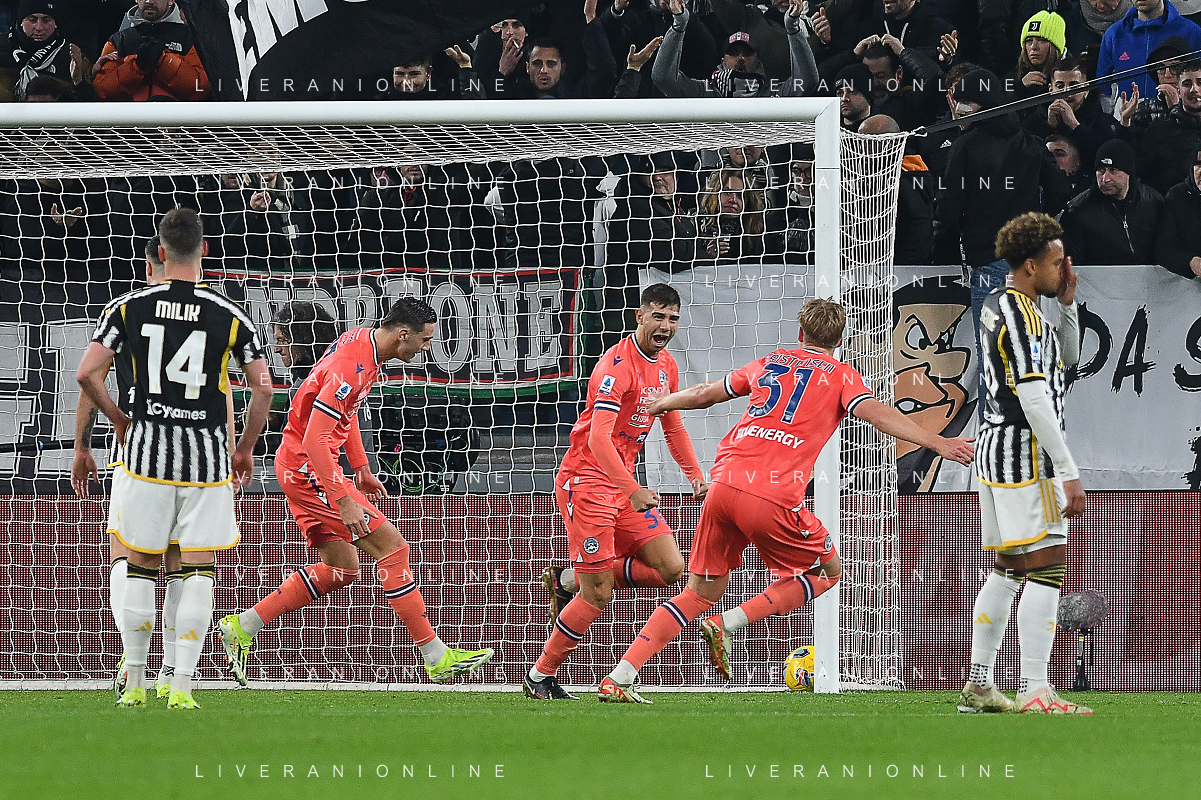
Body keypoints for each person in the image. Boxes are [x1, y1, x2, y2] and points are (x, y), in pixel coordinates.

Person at [595, 298, 975, 701]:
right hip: (771, 493)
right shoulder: (843, 376)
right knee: (829, 571)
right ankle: (728, 623)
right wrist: (937, 441)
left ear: (800, 333)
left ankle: (619, 677)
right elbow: (879, 415)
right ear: (840, 341)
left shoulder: (771, 361)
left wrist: (662, 403)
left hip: (723, 483)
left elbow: (707, 394)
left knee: (699, 591)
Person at [216, 298, 494, 687]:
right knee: (394, 549)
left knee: (342, 568)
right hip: (308, 467)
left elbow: (346, 416)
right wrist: (344, 500)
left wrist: (361, 469)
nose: (426, 348)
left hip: (301, 465)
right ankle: (436, 656)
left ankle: (242, 626)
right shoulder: (351, 365)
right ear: (404, 334)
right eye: (425, 340)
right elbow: (315, 439)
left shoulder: (363, 343)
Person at [76, 208, 274, 709]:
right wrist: (245, 448)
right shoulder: (230, 313)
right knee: (198, 568)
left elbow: (86, 374)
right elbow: (263, 387)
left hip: (145, 458)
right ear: (204, 250)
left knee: (139, 563)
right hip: (206, 462)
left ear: (160, 253)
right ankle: (182, 684)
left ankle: (135, 681)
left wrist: (119, 420)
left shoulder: (127, 307)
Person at [524, 283, 707, 701]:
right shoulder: (616, 366)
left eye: (673, 318)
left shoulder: (667, 366)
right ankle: (540, 676)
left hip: (621, 486)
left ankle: (568, 578)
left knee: (672, 569)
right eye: (658, 316)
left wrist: (695, 476)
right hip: (587, 484)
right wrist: (633, 488)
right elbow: (597, 440)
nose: (665, 326)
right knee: (598, 593)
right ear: (639, 316)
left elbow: (673, 426)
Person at [960, 211, 1090, 715]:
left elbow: (1068, 362)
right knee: (1048, 566)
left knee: (1008, 569)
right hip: (1027, 456)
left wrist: (1068, 306)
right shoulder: (1024, 318)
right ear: (1031, 266)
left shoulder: (1001, 305)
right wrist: (1068, 471)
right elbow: (1035, 398)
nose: (1065, 268)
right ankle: (1036, 688)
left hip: (995, 453)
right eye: (1057, 262)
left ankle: (979, 684)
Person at [932, 68, 1068, 421]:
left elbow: (949, 209)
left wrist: (946, 242)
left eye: (966, 101)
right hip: (1030, 267)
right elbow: (1060, 191)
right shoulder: (1031, 144)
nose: (959, 107)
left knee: (993, 357)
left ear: (983, 103)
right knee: (1026, 352)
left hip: (989, 263)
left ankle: (995, 440)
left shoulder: (966, 146)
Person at [652, 0, 819, 98]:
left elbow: (808, 81)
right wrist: (679, 25)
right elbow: (662, 78)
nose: (741, 58)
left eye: (747, 53)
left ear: (758, 60)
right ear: (723, 60)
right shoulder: (707, 91)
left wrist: (793, 29)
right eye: (733, 53)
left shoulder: (771, 92)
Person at [1058, 139, 1164, 264]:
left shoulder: (1153, 202)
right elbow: (1072, 263)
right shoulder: (1078, 211)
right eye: (1101, 171)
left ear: (1128, 173)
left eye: (1113, 170)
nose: (1105, 179)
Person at [92, 0, 208, 101]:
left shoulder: (190, 38)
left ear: (171, 0)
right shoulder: (119, 40)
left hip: (177, 118)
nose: (149, 1)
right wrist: (137, 66)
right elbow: (102, 90)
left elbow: (201, 88)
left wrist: (164, 61)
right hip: (132, 118)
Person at [1117, 59, 1201, 194]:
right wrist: (1125, 122)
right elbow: (1134, 167)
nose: (1194, 89)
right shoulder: (1159, 130)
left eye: (1200, 83)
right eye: (1187, 84)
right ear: (1178, 91)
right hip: (1170, 204)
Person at [1096, 0, 1201, 104]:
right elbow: (1104, 89)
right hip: (1126, 112)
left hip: (1178, 111)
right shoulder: (1114, 34)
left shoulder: (1192, 32)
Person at [1023, 57, 1115, 172]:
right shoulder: (1037, 119)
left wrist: (1075, 126)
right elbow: (1024, 155)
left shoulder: (1102, 121)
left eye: (1074, 86)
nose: (1067, 91)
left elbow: (1107, 157)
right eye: (1060, 86)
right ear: (1051, 89)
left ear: (1086, 90)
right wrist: (1049, 127)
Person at [0, 0, 89, 101]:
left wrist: (78, 82)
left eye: (46, 20)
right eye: (32, 20)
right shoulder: (2, 47)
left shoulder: (72, 56)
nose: (39, 27)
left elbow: (89, 104)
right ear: (21, 21)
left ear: (55, 23)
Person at [698, 169, 769, 264]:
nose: (733, 200)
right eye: (727, 192)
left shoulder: (758, 233)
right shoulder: (694, 225)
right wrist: (707, 256)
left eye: (740, 195)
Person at [1154, 145, 1201, 278]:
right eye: (1198, 165)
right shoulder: (1176, 196)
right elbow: (1164, 249)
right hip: (1187, 283)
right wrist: (1191, 261)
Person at [1010, 11, 1069, 106]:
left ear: (1055, 47)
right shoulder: (1012, 78)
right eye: (1029, 41)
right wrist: (1021, 89)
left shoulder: (1074, 75)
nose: (1034, 47)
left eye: (1042, 40)